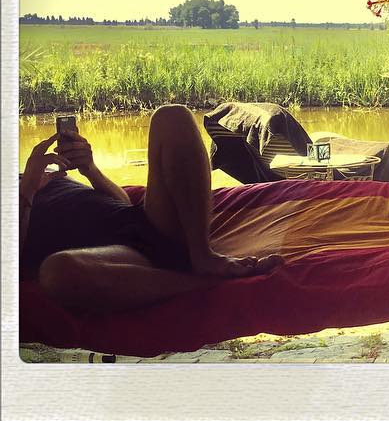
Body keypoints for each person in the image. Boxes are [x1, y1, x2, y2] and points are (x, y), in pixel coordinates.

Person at [20, 105, 284, 314]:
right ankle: (206, 283)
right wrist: (28, 188)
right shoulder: (26, 184)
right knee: (58, 272)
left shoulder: (38, 174)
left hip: (142, 224)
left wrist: (90, 170)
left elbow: (122, 203)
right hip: (115, 259)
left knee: (172, 116)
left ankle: (202, 256)